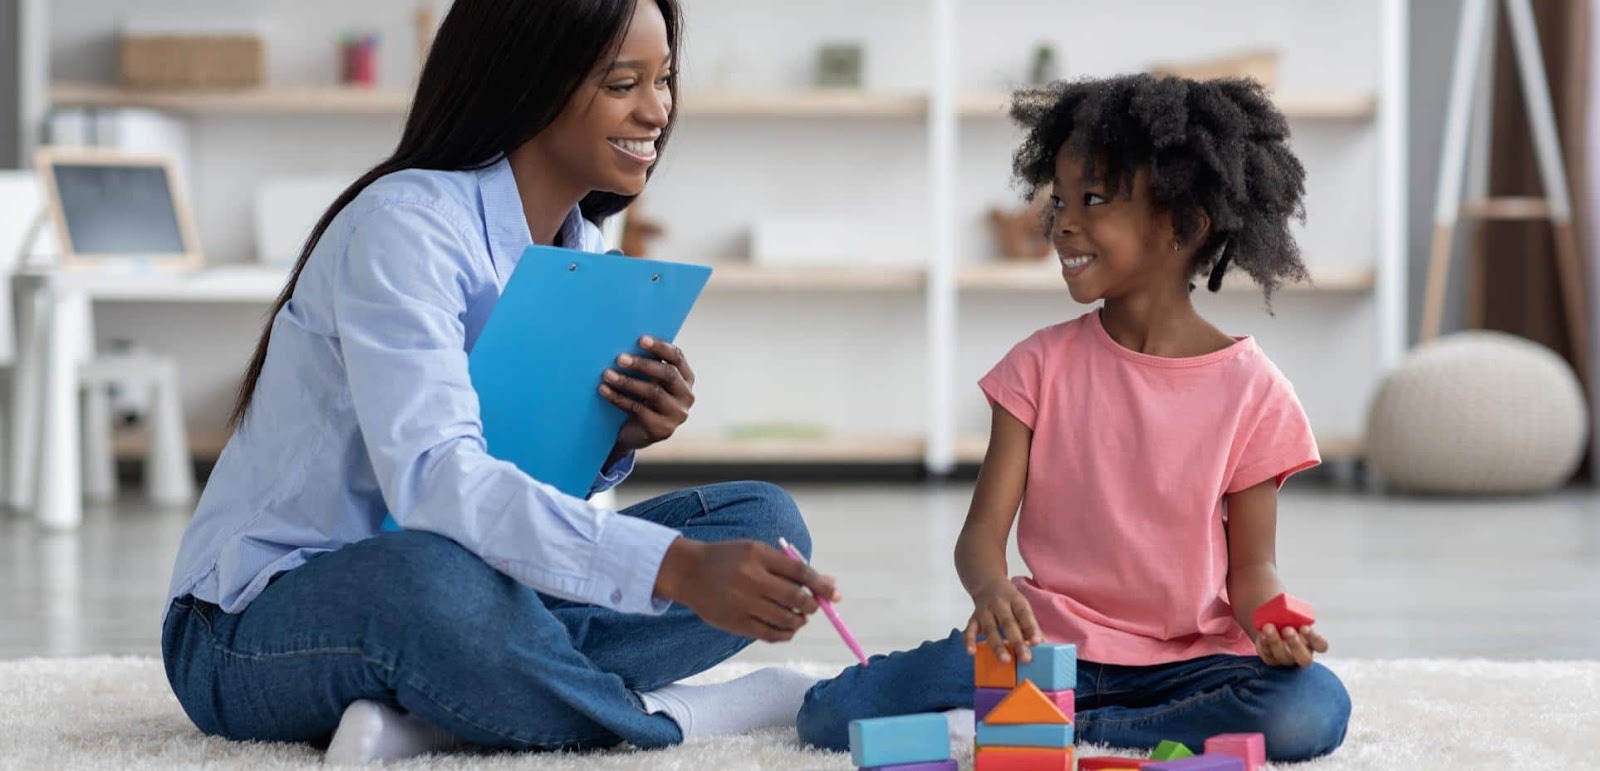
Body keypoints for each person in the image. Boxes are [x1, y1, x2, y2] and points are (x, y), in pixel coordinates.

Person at [160, 0, 837, 762]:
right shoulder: (404, 226)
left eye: (666, 79)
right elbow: (437, 485)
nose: (658, 110)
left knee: (762, 523)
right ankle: (671, 718)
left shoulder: (583, 248)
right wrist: (674, 567)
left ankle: (440, 713)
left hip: (463, 589)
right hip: (250, 627)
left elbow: (517, 491)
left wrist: (613, 437)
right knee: (432, 582)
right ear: (530, 85)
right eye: (623, 84)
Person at [795, 74, 1351, 763]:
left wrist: (1271, 624)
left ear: (1185, 223)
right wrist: (994, 590)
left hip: (1193, 660)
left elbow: (1252, 571)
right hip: (1043, 646)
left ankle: (1074, 729)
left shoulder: (1256, 392)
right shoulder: (1036, 368)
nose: (1062, 222)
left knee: (1312, 708)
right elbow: (979, 538)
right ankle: (1067, 716)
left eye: (1092, 201)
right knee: (830, 712)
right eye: (1059, 200)